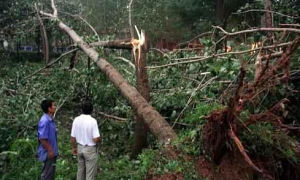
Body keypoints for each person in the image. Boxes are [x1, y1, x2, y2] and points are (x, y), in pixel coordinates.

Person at [71, 101, 101, 180]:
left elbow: (72, 137)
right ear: (92, 110)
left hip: (80, 147)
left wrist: (74, 148)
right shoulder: (93, 121)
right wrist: (99, 139)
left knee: (80, 171)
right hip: (90, 150)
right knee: (89, 174)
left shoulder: (76, 119)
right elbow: (95, 139)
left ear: (82, 109)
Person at [37, 99, 58, 180]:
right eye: (53, 105)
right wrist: (50, 150)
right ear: (49, 108)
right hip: (48, 154)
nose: (55, 107)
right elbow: (42, 138)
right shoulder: (45, 121)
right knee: (47, 176)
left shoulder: (50, 120)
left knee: (50, 175)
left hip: (51, 153)